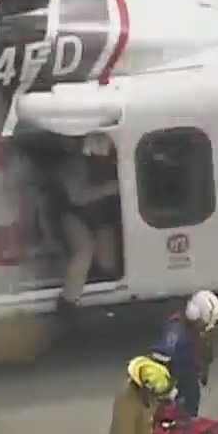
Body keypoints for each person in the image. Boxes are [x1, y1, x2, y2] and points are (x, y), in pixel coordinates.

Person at [149, 290, 218, 434]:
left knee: (185, 431)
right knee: (169, 431)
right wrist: (167, 391)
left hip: (188, 387)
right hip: (177, 390)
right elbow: (159, 358)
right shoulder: (175, 331)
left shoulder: (190, 329)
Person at [58, 132, 120, 312]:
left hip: (101, 218)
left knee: (108, 264)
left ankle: (107, 294)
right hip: (73, 214)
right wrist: (109, 189)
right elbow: (76, 196)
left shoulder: (117, 160)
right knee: (84, 250)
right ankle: (68, 300)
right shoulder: (74, 165)